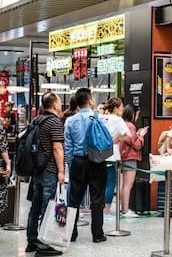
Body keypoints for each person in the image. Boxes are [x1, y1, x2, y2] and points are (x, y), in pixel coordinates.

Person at [65, 88, 107, 243]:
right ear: (90, 101)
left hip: (78, 161)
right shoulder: (99, 118)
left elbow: (67, 146)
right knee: (97, 199)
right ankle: (97, 234)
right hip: (96, 161)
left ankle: (71, 233)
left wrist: (71, 164)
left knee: (74, 199)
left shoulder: (70, 121)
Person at [25, 92, 64, 256]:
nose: (61, 104)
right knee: (48, 208)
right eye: (60, 102)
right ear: (54, 104)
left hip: (37, 169)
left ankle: (32, 241)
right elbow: (57, 148)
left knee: (35, 207)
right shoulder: (54, 122)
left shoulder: (37, 120)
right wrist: (61, 170)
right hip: (49, 169)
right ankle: (43, 244)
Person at [103, 97, 131, 217]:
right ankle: (106, 211)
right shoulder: (118, 120)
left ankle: (99, 209)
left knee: (101, 184)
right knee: (110, 184)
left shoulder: (101, 117)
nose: (123, 109)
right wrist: (119, 139)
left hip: (99, 154)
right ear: (115, 108)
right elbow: (129, 136)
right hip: (112, 154)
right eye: (121, 107)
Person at [119, 104, 148, 217]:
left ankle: (123, 209)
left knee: (123, 185)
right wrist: (141, 136)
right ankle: (126, 210)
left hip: (123, 157)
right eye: (137, 114)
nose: (137, 117)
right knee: (128, 185)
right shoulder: (130, 126)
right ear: (133, 114)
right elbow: (136, 145)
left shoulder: (123, 124)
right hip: (130, 157)